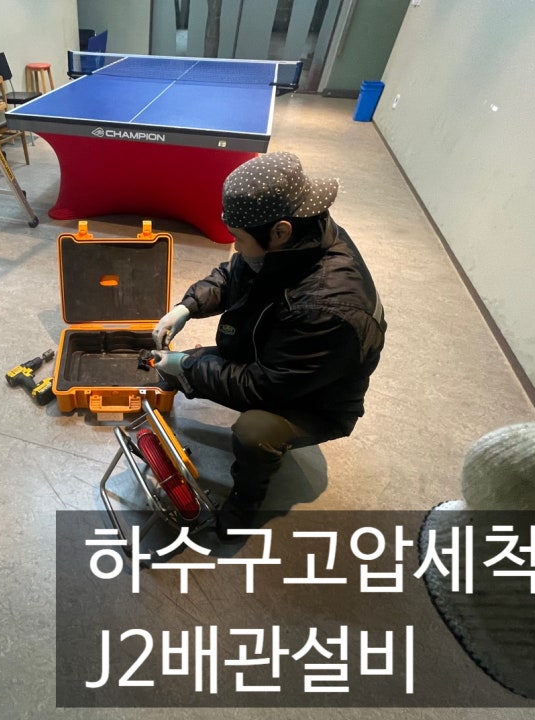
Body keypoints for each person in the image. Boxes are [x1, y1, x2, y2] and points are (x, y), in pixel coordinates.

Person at [150, 151, 386, 540]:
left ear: (279, 231)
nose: (235, 246)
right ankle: (172, 384)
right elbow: (233, 274)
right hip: (279, 355)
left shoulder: (329, 305)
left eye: (239, 239)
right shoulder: (296, 239)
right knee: (186, 365)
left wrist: (187, 367)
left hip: (315, 401)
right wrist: (186, 307)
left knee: (254, 431)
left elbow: (264, 386)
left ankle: (243, 509)